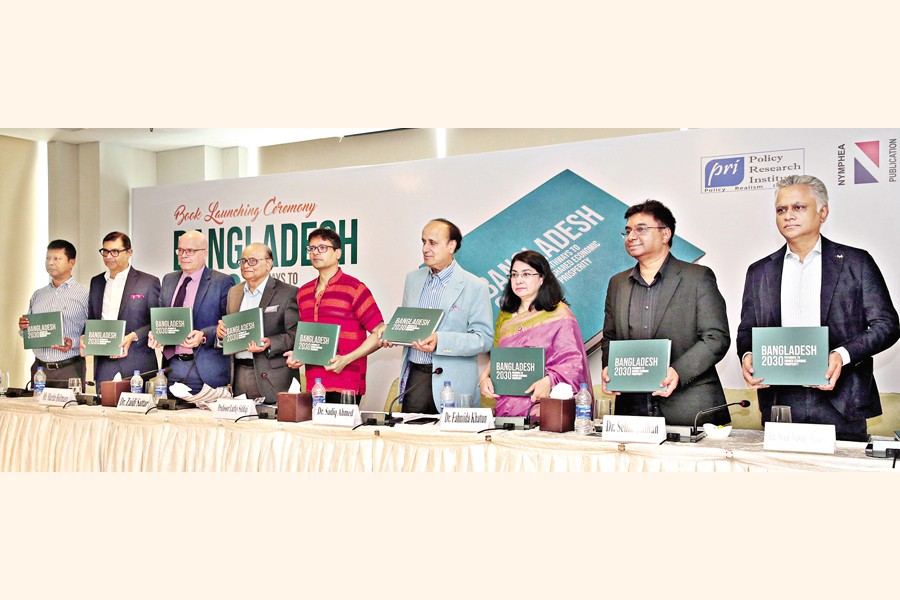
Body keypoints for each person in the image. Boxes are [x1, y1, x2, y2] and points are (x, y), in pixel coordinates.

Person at [737, 175, 899, 441]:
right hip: (780, 401)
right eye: (781, 210)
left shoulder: (855, 262)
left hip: (841, 399)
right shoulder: (759, 272)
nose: (788, 215)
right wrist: (747, 356)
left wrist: (842, 355)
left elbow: (887, 325)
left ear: (823, 212)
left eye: (798, 207)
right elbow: (747, 330)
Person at [600, 200, 731, 426]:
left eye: (641, 229)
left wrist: (678, 371)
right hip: (632, 409)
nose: (631, 236)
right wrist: (608, 367)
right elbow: (610, 337)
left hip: (689, 407)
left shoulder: (697, 277)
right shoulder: (617, 283)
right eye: (628, 231)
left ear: (665, 234)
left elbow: (716, 337)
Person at [388, 218, 493, 414]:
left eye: (433, 243)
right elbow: (408, 323)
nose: (425, 248)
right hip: (416, 376)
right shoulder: (413, 279)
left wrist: (442, 341)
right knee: (412, 441)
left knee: (453, 443)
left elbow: (484, 340)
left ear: (451, 245)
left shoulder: (474, 286)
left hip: (454, 382)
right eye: (423, 242)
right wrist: (393, 334)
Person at [479, 250, 591, 417]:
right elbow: (499, 356)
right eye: (514, 275)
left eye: (526, 274)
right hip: (507, 407)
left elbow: (574, 363)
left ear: (541, 278)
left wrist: (550, 380)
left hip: (543, 406)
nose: (519, 280)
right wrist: (484, 377)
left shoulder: (559, 314)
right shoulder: (506, 314)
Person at [284, 228, 385, 404]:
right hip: (314, 386)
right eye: (312, 248)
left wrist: (346, 359)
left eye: (322, 247)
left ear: (338, 253)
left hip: (346, 383)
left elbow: (380, 333)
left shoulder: (354, 288)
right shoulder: (303, 293)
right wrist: (299, 355)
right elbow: (309, 338)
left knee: (339, 432)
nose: (316, 253)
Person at [147, 230, 234, 394]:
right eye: (180, 250)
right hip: (172, 368)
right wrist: (156, 333)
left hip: (206, 371)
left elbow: (229, 327)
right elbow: (162, 318)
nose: (184, 255)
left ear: (205, 253)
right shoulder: (168, 280)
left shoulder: (221, 282)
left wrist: (204, 335)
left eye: (190, 251)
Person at [215, 243, 298, 404]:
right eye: (243, 261)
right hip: (238, 373)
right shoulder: (234, 292)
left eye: (252, 261)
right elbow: (229, 330)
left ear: (269, 264)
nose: (246, 265)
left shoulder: (288, 292)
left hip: (272, 377)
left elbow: (295, 335)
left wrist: (270, 343)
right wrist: (221, 334)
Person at [82, 232, 161, 384]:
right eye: (105, 251)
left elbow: (157, 323)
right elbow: (92, 319)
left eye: (115, 252)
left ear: (129, 252)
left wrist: (133, 336)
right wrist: (84, 336)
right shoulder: (97, 282)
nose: (109, 256)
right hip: (104, 364)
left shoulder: (148, 282)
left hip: (137, 363)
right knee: (102, 406)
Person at [18, 240, 89, 389]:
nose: (50, 263)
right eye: (48, 258)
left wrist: (73, 343)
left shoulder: (85, 294)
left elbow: (94, 334)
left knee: (69, 412)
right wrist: (24, 328)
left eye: (57, 259)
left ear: (71, 262)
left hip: (69, 368)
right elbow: (27, 333)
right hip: (39, 369)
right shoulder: (38, 295)